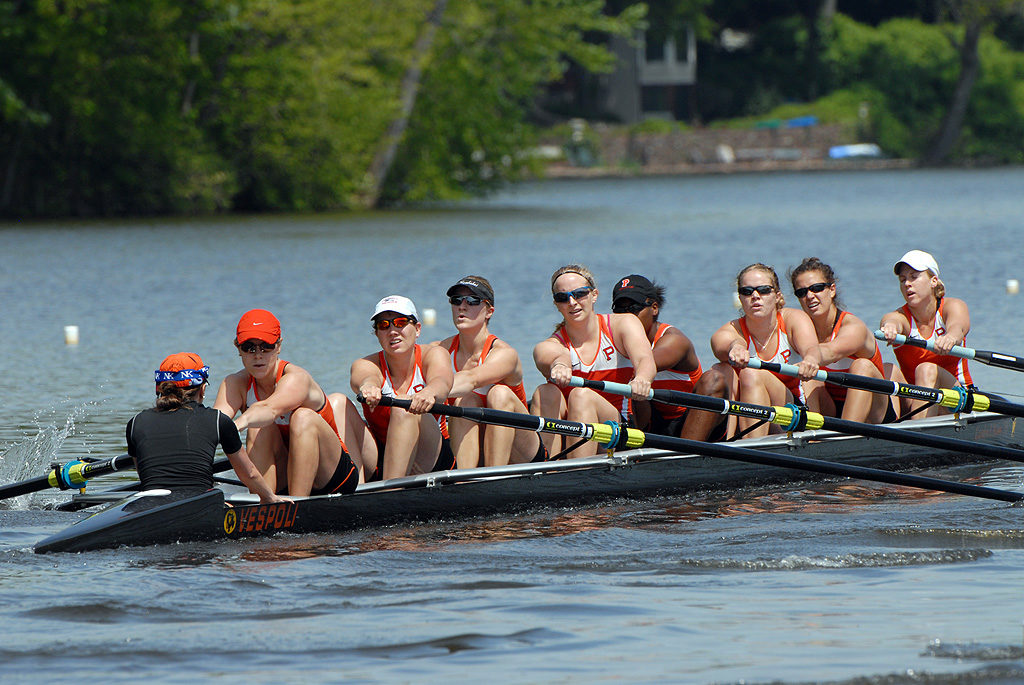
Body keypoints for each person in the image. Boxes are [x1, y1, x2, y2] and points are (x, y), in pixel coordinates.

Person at [213, 309, 367, 497]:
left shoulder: (296, 377)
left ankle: (297, 506)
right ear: (238, 348)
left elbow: (268, 409)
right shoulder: (234, 383)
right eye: (249, 347)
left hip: (332, 474)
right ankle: (265, 504)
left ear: (278, 346)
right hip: (286, 470)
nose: (258, 355)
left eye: (266, 346)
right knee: (259, 427)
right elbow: (213, 424)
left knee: (301, 417)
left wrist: (234, 426)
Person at [531, 264, 656, 458]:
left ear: (594, 295)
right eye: (563, 298)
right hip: (570, 432)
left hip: (617, 428)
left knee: (581, 396)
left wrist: (642, 379)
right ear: (556, 304)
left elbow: (645, 359)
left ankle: (579, 472)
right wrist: (560, 365)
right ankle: (548, 471)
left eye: (579, 294)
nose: (572, 302)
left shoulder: (622, 324)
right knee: (545, 391)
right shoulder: (550, 344)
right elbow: (554, 356)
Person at [127, 352, 283, 503]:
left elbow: (144, 474)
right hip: (200, 507)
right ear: (202, 389)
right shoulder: (217, 421)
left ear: (160, 389)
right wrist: (269, 497)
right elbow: (249, 474)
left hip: (150, 506)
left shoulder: (135, 424)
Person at [433, 276, 546, 468]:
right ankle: (463, 484)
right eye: (456, 300)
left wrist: (428, 391)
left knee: (498, 394)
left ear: (489, 311)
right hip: (474, 448)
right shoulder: (438, 351)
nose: (462, 306)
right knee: (465, 401)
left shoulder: (504, 354)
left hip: (521, 451)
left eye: (472, 301)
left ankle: (494, 478)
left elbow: (471, 379)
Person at [611, 274, 731, 441]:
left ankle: (685, 456)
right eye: (620, 310)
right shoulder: (614, 340)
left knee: (714, 378)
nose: (627, 316)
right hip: (652, 420)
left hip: (690, 420)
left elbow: (646, 362)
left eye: (634, 308)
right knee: (632, 390)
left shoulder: (673, 340)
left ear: (654, 308)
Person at [711, 263, 822, 438]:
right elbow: (721, 345)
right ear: (740, 298)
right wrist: (736, 347)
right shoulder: (731, 329)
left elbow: (811, 349)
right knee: (721, 369)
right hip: (753, 410)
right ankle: (728, 441)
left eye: (763, 290)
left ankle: (751, 447)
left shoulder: (793, 319)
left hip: (791, 411)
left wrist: (811, 360)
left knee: (750, 373)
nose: (755, 296)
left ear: (777, 296)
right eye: (747, 292)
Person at [352, 295, 455, 480]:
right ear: (377, 334)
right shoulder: (366, 364)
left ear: (417, 329)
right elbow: (365, 378)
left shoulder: (434, 354)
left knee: (404, 407)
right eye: (384, 325)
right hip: (382, 454)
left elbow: (442, 382)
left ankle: (389, 494)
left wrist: (429, 392)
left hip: (432, 454)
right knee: (337, 402)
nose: (392, 331)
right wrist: (369, 386)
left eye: (400, 322)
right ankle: (355, 486)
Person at [788, 257, 896, 424]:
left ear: (832, 290)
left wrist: (809, 359)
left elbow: (832, 351)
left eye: (816, 288)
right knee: (810, 379)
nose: (809, 296)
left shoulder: (853, 327)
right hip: (832, 408)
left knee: (862, 366)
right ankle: (812, 437)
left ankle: (843, 439)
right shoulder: (799, 329)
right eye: (801, 292)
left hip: (875, 411)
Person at [878, 250, 973, 418]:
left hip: (955, 398)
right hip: (915, 400)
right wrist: (890, 327)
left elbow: (958, 327)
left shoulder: (953, 306)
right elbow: (891, 321)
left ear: (933, 281)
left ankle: (916, 433)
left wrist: (950, 337)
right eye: (903, 279)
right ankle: (891, 427)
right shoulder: (900, 317)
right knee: (887, 369)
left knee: (926, 369)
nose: (907, 283)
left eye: (914, 277)